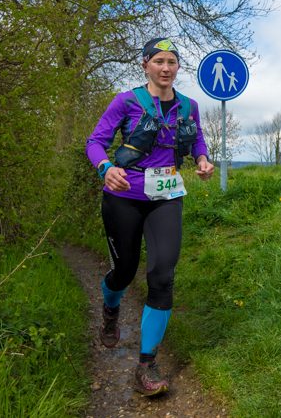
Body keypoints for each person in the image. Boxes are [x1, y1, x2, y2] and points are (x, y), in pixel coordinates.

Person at [85, 37, 214, 396]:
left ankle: (146, 364)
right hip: (123, 196)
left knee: (162, 274)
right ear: (145, 65)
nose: (166, 68)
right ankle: (111, 309)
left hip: (167, 197)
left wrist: (202, 160)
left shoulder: (189, 106)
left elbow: (197, 140)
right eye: (159, 61)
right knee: (124, 270)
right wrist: (105, 167)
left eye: (172, 62)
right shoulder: (126, 101)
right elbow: (95, 141)